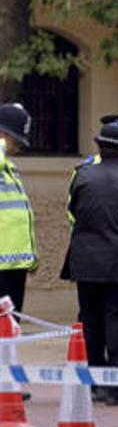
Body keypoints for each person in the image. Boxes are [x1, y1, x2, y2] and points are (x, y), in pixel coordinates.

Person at [62, 123, 118, 406]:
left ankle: (94, 384)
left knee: (91, 322)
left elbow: (74, 210)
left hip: (86, 261)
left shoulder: (83, 174)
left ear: (99, 146)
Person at [0, 103, 36, 316]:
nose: (18, 148)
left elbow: (21, 216)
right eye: (16, 141)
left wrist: (31, 256)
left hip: (14, 264)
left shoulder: (10, 168)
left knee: (10, 327)